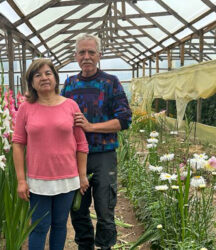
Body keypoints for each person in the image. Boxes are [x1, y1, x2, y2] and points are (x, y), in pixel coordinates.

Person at [61, 34, 132, 250]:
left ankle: (105, 246)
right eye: (82, 52)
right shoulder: (70, 84)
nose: (86, 56)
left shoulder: (110, 82)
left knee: (105, 207)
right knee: (78, 209)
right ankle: (85, 246)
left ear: (99, 55)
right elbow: (59, 114)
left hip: (103, 155)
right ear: (75, 56)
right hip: (74, 157)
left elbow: (124, 119)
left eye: (91, 52)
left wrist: (91, 127)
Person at [12, 58, 89, 250]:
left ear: (55, 78)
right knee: (39, 227)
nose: (44, 78)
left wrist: (82, 175)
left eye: (48, 73)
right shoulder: (25, 108)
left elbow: (81, 143)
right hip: (38, 180)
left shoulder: (71, 106)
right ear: (31, 82)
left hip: (67, 178)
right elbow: (18, 144)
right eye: (37, 75)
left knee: (59, 225)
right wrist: (21, 180)